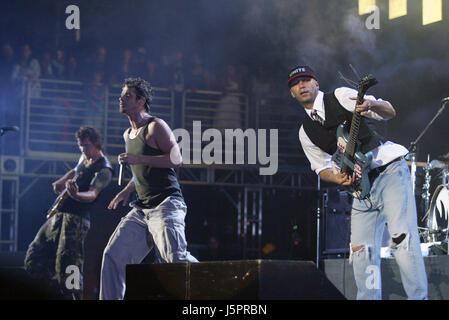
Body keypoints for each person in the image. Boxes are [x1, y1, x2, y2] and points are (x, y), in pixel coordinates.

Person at [288, 65, 428, 300]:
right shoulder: (305, 132)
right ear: (292, 93)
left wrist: (372, 104)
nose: (301, 85)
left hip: (388, 171)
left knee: (403, 238)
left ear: (316, 84)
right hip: (360, 191)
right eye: (295, 83)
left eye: (306, 80)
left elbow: (390, 111)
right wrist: (336, 177)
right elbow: (321, 168)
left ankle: (419, 298)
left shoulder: (341, 96)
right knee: (362, 251)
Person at [99, 77, 198, 300]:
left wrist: (137, 157)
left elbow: (176, 159)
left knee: (175, 261)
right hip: (142, 209)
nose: (121, 99)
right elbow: (141, 171)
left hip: (166, 204)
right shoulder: (128, 134)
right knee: (113, 256)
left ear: (141, 101)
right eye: (121, 95)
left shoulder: (155, 126)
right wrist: (126, 190)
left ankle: (220, 284)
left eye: (127, 96)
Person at [24, 126, 113, 299]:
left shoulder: (104, 169)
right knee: (34, 257)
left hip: (76, 221)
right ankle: (55, 292)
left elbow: (93, 194)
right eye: (80, 145)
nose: (83, 149)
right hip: (58, 217)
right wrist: (62, 181)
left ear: (96, 144)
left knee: (69, 267)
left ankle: (72, 296)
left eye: (86, 146)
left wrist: (76, 194)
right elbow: (76, 170)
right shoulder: (84, 158)